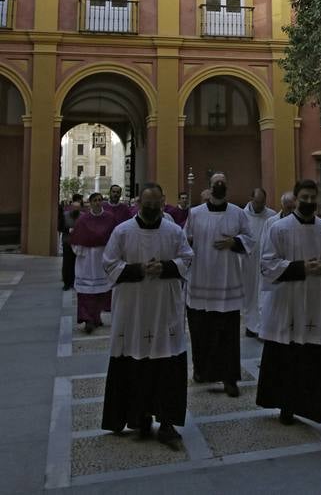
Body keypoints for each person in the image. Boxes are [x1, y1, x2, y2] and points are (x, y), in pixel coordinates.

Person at [256, 178, 321, 440]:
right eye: (304, 197)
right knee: (287, 358)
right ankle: (287, 405)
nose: (309, 202)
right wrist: (301, 268)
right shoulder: (278, 228)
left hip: (318, 305)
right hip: (288, 304)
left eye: (313, 197)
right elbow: (267, 264)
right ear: (295, 198)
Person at [101, 182, 193, 445]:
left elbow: (187, 259)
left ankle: (166, 424)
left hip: (165, 310)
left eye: (156, 203)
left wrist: (164, 267)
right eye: (147, 203)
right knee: (135, 363)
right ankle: (139, 417)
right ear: (139, 202)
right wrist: (140, 270)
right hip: (133, 310)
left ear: (163, 202)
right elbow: (109, 264)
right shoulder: (122, 232)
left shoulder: (174, 231)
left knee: (167, 365)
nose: (152, 208)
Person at [185, 172, 254, 397]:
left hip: (227, 283)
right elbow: (185, 241)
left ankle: (230, 378)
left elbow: (250, 239)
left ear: (227, 188)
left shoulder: (238, 213)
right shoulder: (195, 214)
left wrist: (235, 242)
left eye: (223, 182)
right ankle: (202, 370)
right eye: (216, 182)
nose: (220, 185)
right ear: (210, 187)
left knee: (228, 334)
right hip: (201, 280)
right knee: (201, 330)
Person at [71, 192, 117, 333]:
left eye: (100, 200)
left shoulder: (109, 218)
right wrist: (80, 251)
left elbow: (115, 237)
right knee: (86, 292)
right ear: (90, 203)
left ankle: (96, 317)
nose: (97, 203)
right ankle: (87, 319)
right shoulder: (83, 220)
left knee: (100, 291)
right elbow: (76, 240)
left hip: (102, 257)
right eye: (95, 200)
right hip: (87, 259)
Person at [241, 187, 276, 338]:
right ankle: (250, 326)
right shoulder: (241, 215)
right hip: (248, 262)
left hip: (265, 262)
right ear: (251, 199)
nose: (259, 206)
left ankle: (263, 326)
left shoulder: (272, 216)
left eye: (262, 203)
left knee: (264, 294)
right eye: (257, 202)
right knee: (250, 295)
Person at [59, 193, 84, 290]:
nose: (76, 211)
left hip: (78, 243)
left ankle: (75, 281)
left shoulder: (83, 216)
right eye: (74, 209)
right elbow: (60, 227)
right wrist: (68, 230)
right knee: (67, 263)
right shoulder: (65, 216)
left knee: (77, 263)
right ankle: (66, 282)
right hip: (67, 242)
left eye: (77, 209)